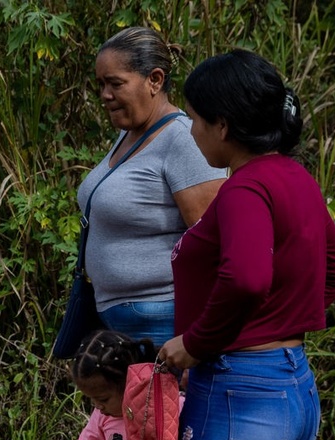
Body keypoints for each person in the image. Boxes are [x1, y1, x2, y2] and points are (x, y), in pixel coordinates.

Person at [158, 50, 335, 440]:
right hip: (295, 389)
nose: (191, 131)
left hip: (240, 394)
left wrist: (196, 343)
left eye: (195, 119)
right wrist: (275, 322)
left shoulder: (244, 189)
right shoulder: (296, 177)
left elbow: (246, 279)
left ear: (223, 125)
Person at [78, 26, 227, 348]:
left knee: (158, 402)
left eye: (115, 84)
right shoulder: (130, 135)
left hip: (162, 323)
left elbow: (211, 245)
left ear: (155, 80)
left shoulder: (183, 139)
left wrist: (197, 340)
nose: (104, 94)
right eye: (101, 84)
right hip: (121, 321)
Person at [73, 330, 180, 440]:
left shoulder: (169, 407)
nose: (98, 406)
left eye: (103, 399)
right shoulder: (101, 417)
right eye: (92, 399)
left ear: (129, 383)